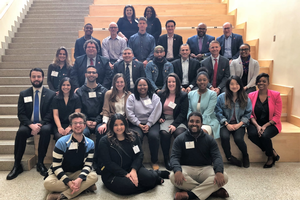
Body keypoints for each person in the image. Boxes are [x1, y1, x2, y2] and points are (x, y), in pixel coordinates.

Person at [99, 114, 170, 195]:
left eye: (121, 124)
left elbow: (139, 155)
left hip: (132, 168)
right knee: (128, 186)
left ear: (125, 124)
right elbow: (108, 163)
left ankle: (154, 176)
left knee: (150, 178)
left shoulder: (133, 136)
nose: (119, 127)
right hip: (112, 173)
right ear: (111, 126)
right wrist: (125, 174)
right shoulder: (104, 141)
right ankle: (155, 179)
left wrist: (133, 170)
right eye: (115, 125)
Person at [7, 68, 55, 180]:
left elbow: (50, 113)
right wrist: (31, 125)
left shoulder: (51, 94)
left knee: (46, 130)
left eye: (39, 76)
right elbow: (21, 114)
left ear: (43, 78)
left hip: (44, 123)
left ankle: (40, 163)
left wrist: (39, 125)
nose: (36, 79)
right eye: (34, 76)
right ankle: (17, 165)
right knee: (21, 132)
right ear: (30, 78)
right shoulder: (24, 94)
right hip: (28, 124)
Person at [170, 112, 229, 200]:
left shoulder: (210, 140)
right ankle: (212, 192)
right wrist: (177, 170)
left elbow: (217, 157)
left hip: (205, 169)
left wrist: (219, 171)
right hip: (186, 168)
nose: (194, 124)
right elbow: (174, 157)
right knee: (173, 176)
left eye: (197, 121)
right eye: (191, 121)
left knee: (224, 176)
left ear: (201, 124)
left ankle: (190, 195)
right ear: (187, 123)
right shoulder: (180, 139)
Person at [44, 112, 98, 200]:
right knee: (47, 183)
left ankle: (61, 195)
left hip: (77, 173)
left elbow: (88, 165)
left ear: (85, 126)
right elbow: (56, 166)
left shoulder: (90, 143)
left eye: (80, 123)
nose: (78, 125)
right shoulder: (61, 142)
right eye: (75, 123)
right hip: (61, 172)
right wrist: (68, 182)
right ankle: (85, 187)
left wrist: (79, 179)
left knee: (94, 177)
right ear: (71, 126)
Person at [215, 76, 252, 168]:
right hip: (226, 124)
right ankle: (229, 157)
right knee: (224, 137)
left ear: (240, 85)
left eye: (237, 84)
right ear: (228, 85)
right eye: (232, 84)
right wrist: (226, 124)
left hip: (240, 124)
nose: (234, 86)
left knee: (239, 139)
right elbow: (218, 112)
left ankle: (245, 155)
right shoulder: (221, 97)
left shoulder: (246, 98)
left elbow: (248, 114)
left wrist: (239, 124)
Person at [126, 78, 162, 170]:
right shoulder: (132, 98)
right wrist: (139, 124)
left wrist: (149, 124)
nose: (142, 87)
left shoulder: (154, 97)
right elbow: (129, 113)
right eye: (140, 85)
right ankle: (136, 161)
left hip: (152, 123)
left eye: (144, 85)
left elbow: (156, 111)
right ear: (136, 86)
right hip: (136, 123)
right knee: (136, 137)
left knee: (154, 136)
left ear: (148, 86)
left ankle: (154, 160)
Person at [247, 73, 282, 168]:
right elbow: (249, 113)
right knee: (252, 135)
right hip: (255, 122)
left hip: (271, 123)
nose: (261, 83)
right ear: (256, 83)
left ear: (268, 83)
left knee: (264, 135)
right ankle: (271, 152)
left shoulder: (276, 95)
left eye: (264, 81)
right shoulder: (251, 95)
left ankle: (270, 157)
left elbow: (277, 115)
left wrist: (265, 126)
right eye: (259, 81)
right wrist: (258, 126)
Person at [75, 66, 107, 167]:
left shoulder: (103, 91)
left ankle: (97, 160)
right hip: (84, 121)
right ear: (85, 75)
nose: (91, 74)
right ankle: (84, 160)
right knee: (82, 132)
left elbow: (104, 109)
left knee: (102, 132)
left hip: (99, 121)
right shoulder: (79, 91)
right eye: (89, 72)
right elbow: (79, 110)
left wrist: (97, 121)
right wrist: (86, 121)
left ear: (97, 75)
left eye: (93, 72)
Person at [158, 73, 188, 170]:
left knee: (179, 133)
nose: (171, 84)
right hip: (166, 119)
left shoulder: (183, 95)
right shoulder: (161, 94)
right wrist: (161, 116)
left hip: (178, 120)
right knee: (164, 134)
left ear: (177, 83)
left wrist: (175, 125)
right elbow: (158, 108)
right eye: (169, 82)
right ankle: (166, 159)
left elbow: (183, 113)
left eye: (173, 81)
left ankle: (178, 158)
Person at [187, 67, 220, 138]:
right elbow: (189, 109)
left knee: (201, 132)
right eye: (199, 80)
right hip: (193, 122)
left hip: (208, 121)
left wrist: (198, 123)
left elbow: (209, 111)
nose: (202, 82)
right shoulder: (191, 94)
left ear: (208, 81)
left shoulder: (212, 94)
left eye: (204, 80)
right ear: (196, 81)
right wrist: (191, 121)